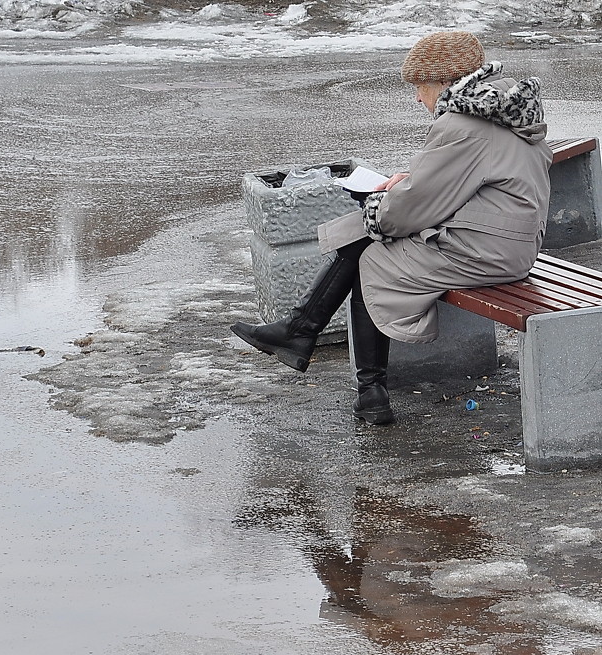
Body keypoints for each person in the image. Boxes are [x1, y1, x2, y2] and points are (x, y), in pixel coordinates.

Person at [230, 31, 552, 425]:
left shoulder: (463, 124)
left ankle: (339, 364)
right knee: (374, 235)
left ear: (443, 80)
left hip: (489, 252)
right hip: (509, 241)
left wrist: (377, 204)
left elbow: (408, 211)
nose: (418, 97)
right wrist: (407, 181)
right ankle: (314, 343)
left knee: (373, 253)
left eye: (420, 86)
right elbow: (471, 179)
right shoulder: (501, 110)